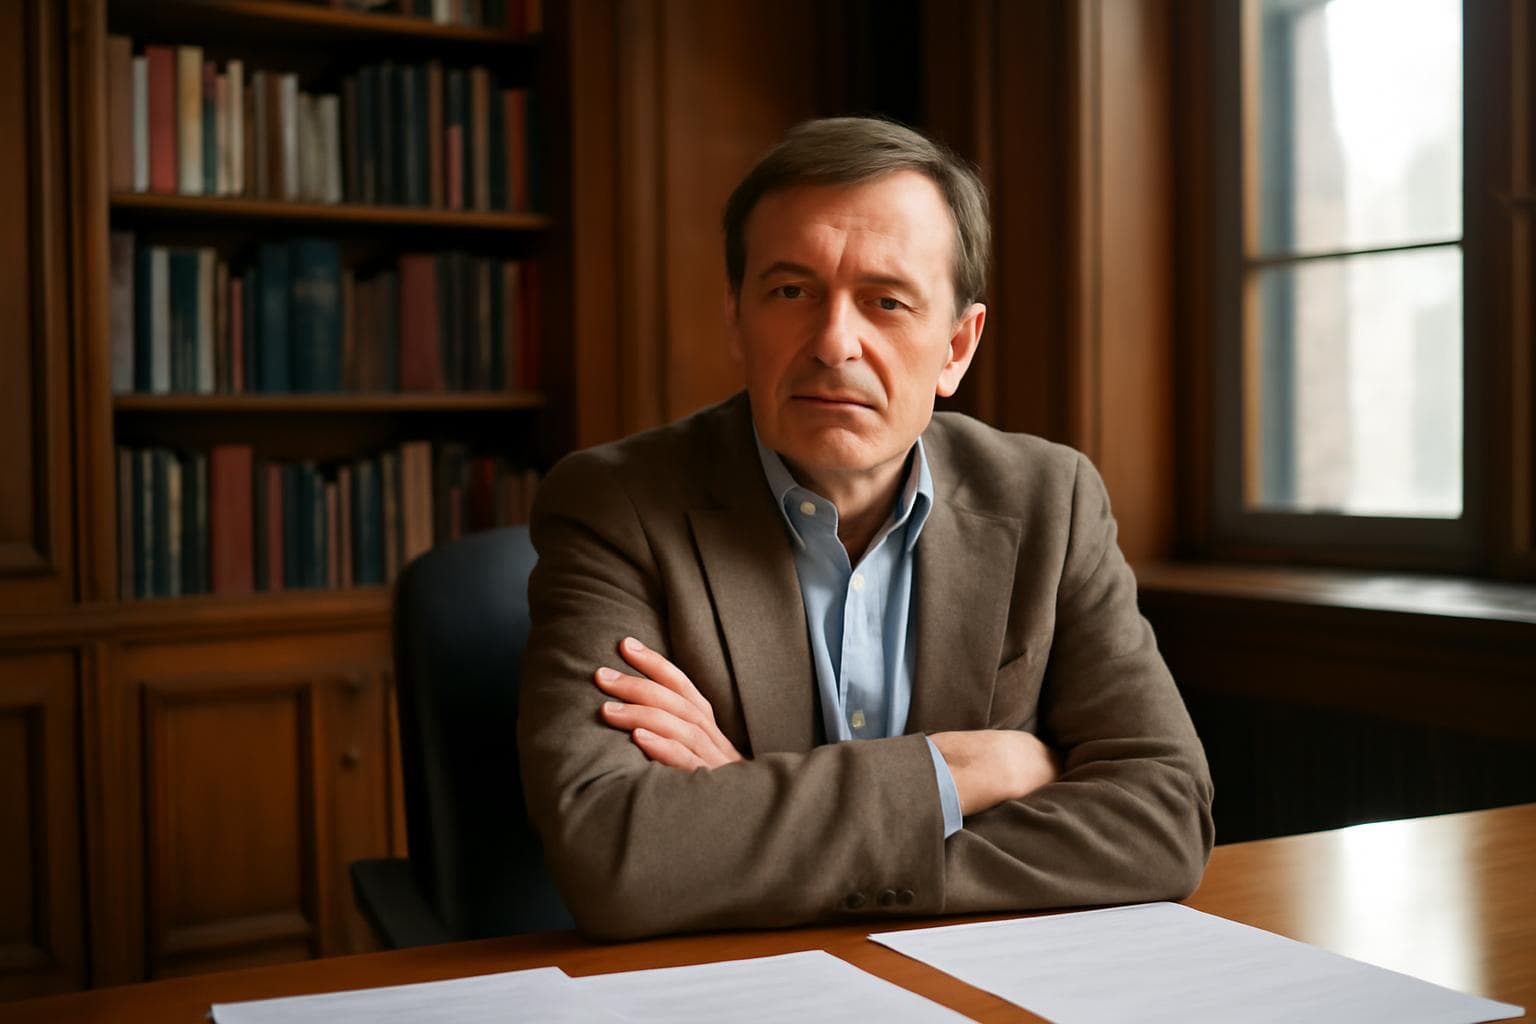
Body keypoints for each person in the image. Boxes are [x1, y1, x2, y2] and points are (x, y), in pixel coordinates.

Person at [517, 116, 1213, 941]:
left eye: (886, 301)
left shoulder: (1049, 500)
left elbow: (1163, 821)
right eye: (791, 292)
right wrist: (966, 769)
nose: (834, 342)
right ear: (737, 320)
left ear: (957, 345)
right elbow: (617, 857)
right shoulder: (614, 504)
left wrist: (752, 813)